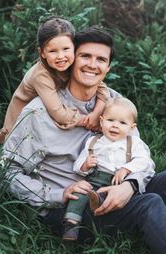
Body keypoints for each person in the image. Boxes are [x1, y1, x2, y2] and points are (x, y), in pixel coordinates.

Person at [2, 26, 166, 254]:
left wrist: (130, 186)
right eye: (85, 56)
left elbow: (140, 156)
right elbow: (6, 170)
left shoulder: (114, 105)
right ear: (72, 59)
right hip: (70, 209)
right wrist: (57, 194)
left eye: (101, 59)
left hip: (114, 186)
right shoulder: (38, 112)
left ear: (108, 67)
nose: (92, 65)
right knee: (149, 203)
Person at [0, 17, 109, 144]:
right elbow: (59, 113)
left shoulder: (69, 62)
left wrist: (97, 112)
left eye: (66, 49)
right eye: (53, 51)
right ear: (42, 52)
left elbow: (100, 86)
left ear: (74, 48)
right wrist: (88, 121)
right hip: (24, 125)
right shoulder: (41, 76)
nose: (61, 56)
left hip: (47, 116)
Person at [62, 97, 155, 241]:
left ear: (132, 127)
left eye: (122, 122)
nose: (115, 126)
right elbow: (77, 166)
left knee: (121, 198)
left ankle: (99, 200)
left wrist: (126, 168)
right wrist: (85, 165)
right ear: (101, 121)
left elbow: (144, 161)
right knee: (79, 194)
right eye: (110, 120)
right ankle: (71, 225)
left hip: (118, 182)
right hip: (95, 178)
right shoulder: (94, 142)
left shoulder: (134, 143)